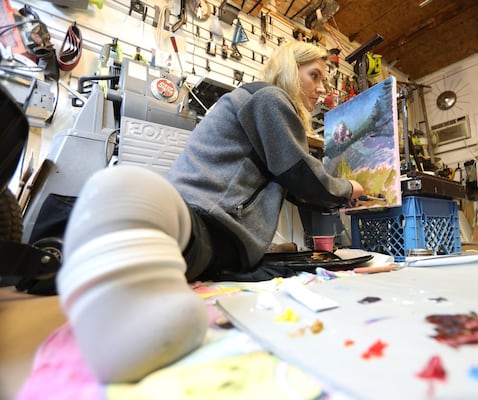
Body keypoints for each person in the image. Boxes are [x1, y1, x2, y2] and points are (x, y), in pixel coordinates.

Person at [56, 41, 364, 383]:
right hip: (209, 223)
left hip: (213, 231)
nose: (322, 89)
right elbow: (301, 176)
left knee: (122, 192)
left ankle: (121, 316)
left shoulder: (266, 106)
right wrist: (349, 190)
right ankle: (123, 314)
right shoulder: (269, 99)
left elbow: (298, 183)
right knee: (124, 190)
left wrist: (336, 192)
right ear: (291, 70)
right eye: (314, 75)